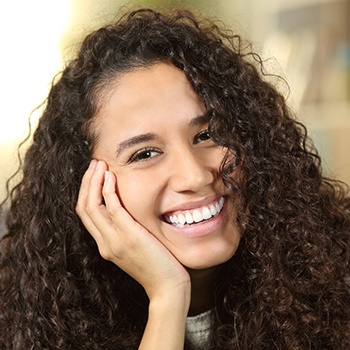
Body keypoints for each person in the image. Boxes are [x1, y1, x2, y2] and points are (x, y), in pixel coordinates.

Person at [0, 7, 349, 350]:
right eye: (145, 154)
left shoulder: (336, 268)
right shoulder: (28, 318)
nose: (195, 176)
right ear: (86, 190)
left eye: (207, 135)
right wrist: (168, 295)